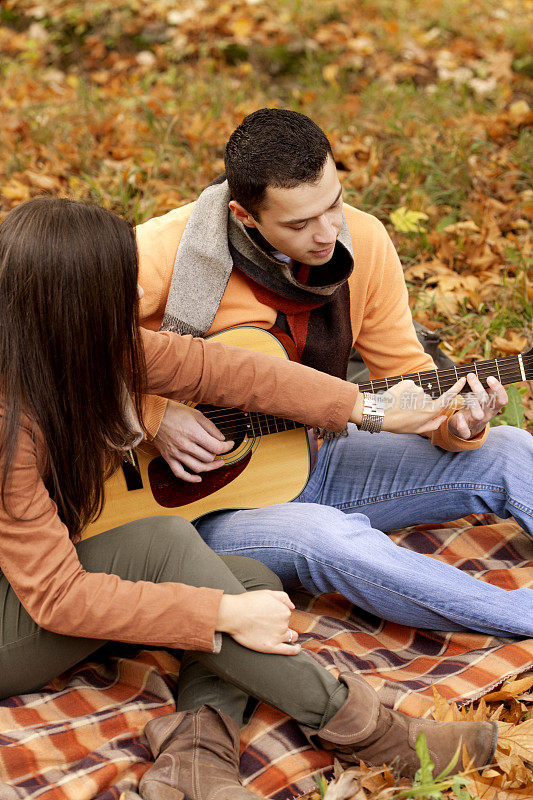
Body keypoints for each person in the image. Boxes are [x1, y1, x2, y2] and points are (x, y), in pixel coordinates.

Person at [0, 197, 499, 799]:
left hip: (39, 580)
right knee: (169, 548)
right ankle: (374, 734)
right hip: (17, 616)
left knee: (251, 578)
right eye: (118, 290)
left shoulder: (73, 349)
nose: (132, 303)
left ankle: (194, 756)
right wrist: (220, 615)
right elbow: (57, 598)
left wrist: (366, 407)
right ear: (74, 307)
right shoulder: (9, 421)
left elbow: (230, 372)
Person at [136, 107, 533, 640]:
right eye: (299, 223)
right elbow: (44, 342)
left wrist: (454, 423)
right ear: (244, 215)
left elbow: (409, 378)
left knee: (509, 450)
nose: (328, 234)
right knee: (331, 537)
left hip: (319, 453)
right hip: (191, 506)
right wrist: (152, 415)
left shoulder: (363, 242)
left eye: (334, 205)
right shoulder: (166, 251)